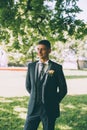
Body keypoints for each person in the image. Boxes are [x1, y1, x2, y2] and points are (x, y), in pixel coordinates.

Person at [24, 40, 67, 130]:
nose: (39, 52)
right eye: (38, 49)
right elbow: (28, 86)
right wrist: (35, 96)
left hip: (49, 108)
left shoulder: (57, 67)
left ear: (49, 50)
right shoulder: (31, 66)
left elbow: (63, 89)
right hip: (33, 108)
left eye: (42, 49)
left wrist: (53, 101)